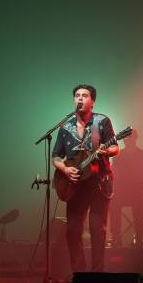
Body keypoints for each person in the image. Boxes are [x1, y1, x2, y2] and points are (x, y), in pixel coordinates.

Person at [52, 84, 119, 273]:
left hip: (99, 184)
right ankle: (79, 274)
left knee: (98, 231)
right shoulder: (65, 126)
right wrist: (65, 170)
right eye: (77, 95)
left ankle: (97, 275)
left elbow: (115, 148)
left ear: (93, 101)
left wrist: (106, 150)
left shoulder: (102, 121)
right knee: (72, 231)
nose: (80, 98)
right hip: (74, 186)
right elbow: (56, 156)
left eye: (85, 95)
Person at [109, 129, 143, 249]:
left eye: (129, 137)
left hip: (138, 192)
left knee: (137, 204)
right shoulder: (118, 156)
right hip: (123, 192)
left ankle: (138, 238)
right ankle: (116, 237)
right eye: (125, 138)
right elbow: (115, 174)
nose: (127, 140)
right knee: (113, 203)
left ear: (135, 138)